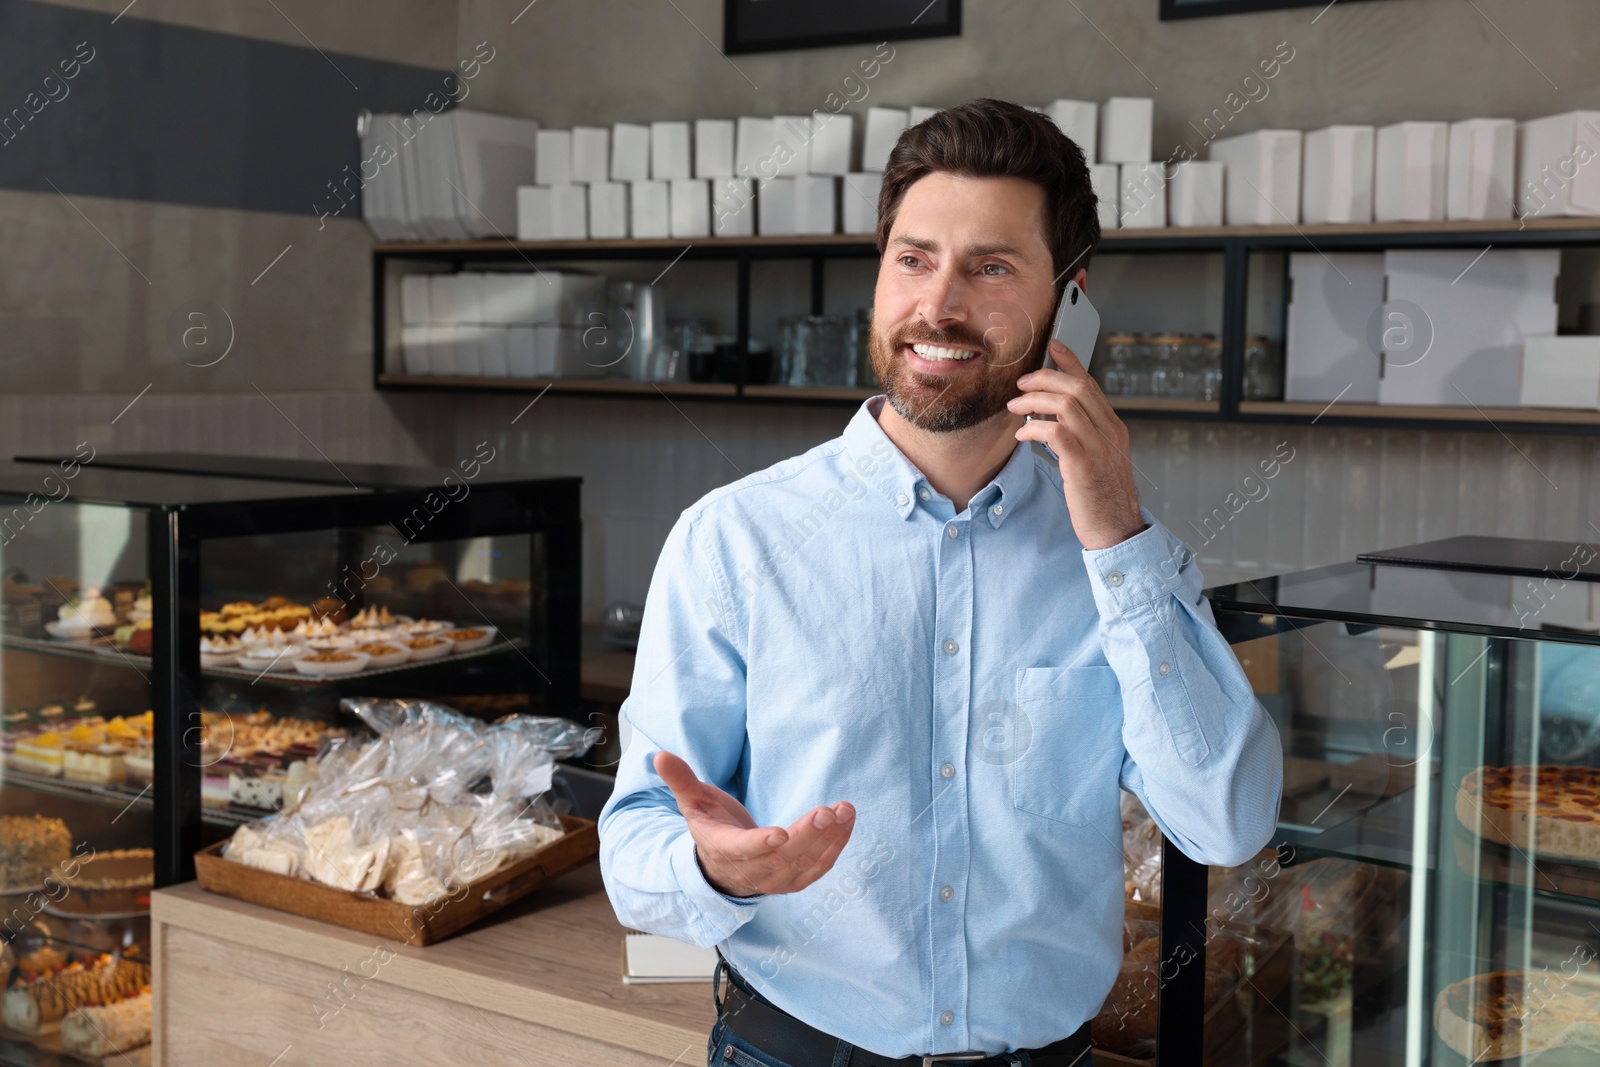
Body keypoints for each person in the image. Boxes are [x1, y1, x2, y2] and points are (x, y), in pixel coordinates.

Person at [599, 98, 1283, 1067]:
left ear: (1070, 303)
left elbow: (1225, 824)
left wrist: (1116, 537)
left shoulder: (1122, 559)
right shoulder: (733, 539)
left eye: (991, 267)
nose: (939, 304)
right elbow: (634, 851)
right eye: (912, 259)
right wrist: (717, 866)